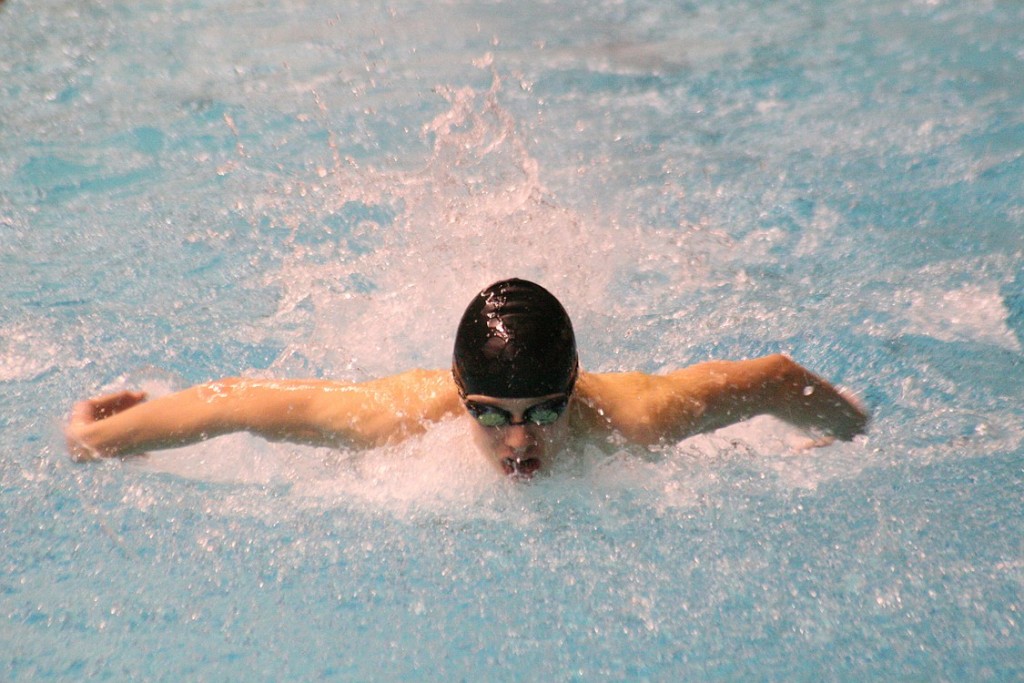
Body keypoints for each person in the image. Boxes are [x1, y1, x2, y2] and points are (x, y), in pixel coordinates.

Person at [65, 278, 869, 477]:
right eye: (490, 415)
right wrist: (96, 437)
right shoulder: (396, 416)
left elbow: (774, 376)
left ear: (574, 387)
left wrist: (847, 435)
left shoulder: (639, 415)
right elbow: (242, 402)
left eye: (544, 412)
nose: (520, 441)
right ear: (457, 396)